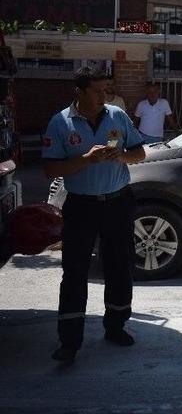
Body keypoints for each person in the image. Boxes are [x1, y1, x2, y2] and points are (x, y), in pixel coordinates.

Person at [42, 67, 146, 363]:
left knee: (120, 266)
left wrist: (122, 156)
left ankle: (116, 326)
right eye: (97, 91)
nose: (104, 95)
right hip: (81, 207)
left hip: (117, 203)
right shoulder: (60, 123)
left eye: (106, 90)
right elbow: (50, 169)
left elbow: (139, 153)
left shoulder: (117, 116)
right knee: (74, 272)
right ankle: (69, 341)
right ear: (79, 92)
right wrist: (86, 160)